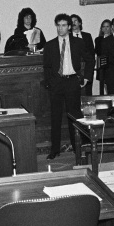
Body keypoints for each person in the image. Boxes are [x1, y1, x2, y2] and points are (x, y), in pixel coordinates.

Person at [43, 13, 94, 160]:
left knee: (75, 116)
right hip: (57, 83)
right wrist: (50, 82)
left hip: (72, 82)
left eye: (64, 25)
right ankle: (55, 150)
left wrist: (87, 77)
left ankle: (77, 146)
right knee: (56, 117)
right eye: (58, 25)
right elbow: (46, 67)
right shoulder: (50, 44)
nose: (60, 28)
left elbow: (90, 60)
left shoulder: (78, 42)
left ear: (69, 27)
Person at [70, 14, 96, 96]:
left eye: (75, 21)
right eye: (71, 21)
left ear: (80, 23)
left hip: (87, 69)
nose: (73, 23)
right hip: (74, 70)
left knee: (87, 93)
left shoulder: (87, 36)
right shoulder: (67, 37)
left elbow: (92, 53)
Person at [94, 19, 112, 94]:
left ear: (111, 27)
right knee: (104, 87)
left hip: (112, 66)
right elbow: (98, 52)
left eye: (107, 26)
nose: (105, 28)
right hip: (102, 66)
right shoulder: (98, 39)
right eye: (103, 26)